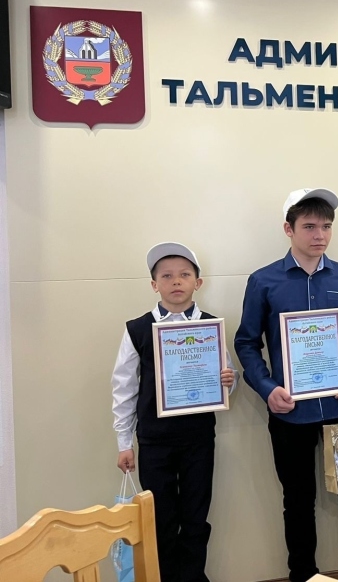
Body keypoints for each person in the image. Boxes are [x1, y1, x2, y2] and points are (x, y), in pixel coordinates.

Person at [234, 188, 338, 582]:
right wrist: (267, 388)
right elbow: (246, 343)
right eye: (310, 226)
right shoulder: (264, 281)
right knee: (298, 502)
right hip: (290, 413)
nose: (320, 235)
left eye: (326, 226)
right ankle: (304, 576)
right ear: (289, 229)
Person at [112, 242, 236, 582]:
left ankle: (193, 577)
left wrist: (230, 381)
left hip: (198, 438)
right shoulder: (137, 329)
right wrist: (124, 442)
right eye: (166, 276)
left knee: (196, 517)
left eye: (184, 274)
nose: (176, 281)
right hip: (154, 441)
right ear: (154, 284)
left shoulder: (211, 326)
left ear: (198, 282)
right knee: (160, 519)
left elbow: (225, 378)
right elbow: (124, 387)